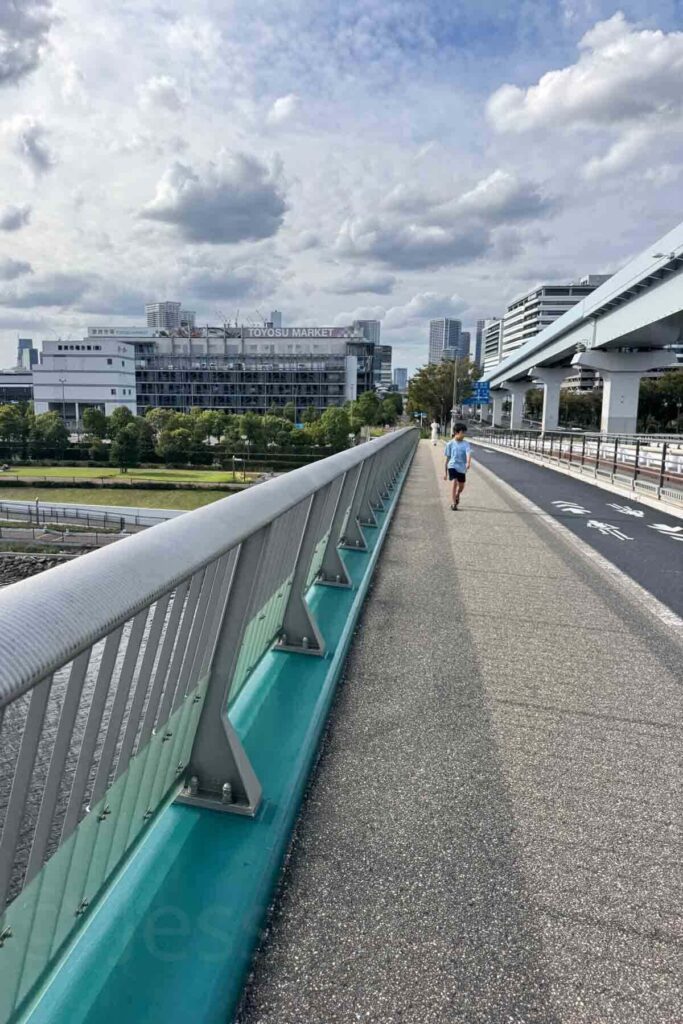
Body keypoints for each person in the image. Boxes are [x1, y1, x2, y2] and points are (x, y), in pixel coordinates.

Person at [444, 422, 472, 510]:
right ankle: (453, 503)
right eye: (462, 432)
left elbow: (468, 454)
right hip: (452, 466)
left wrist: (468, 462)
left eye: (464, 433)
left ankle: (457, 494)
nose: (464, 435)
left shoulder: (466, 444)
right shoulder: (450, 444)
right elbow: (447, 459)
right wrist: (445, 472)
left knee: (461, 486)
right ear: (456, 432)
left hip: (462, 468)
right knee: (454, 482)